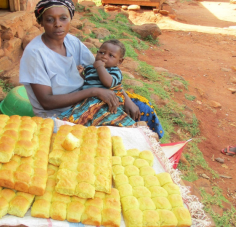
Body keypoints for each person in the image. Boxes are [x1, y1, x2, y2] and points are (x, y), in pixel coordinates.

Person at [19, 0, 164, 138]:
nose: (58, 24)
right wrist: (95, 91)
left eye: (63, 18)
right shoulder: (35, 53)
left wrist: (127, 100)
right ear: (41, 22)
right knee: (121, 134)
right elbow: (47, 102)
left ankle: (154, 148)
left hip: (88, 100)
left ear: (70, 18)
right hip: (61, 113)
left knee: (144, 110)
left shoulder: (71, 41)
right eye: (50, 19)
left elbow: (100, 69)